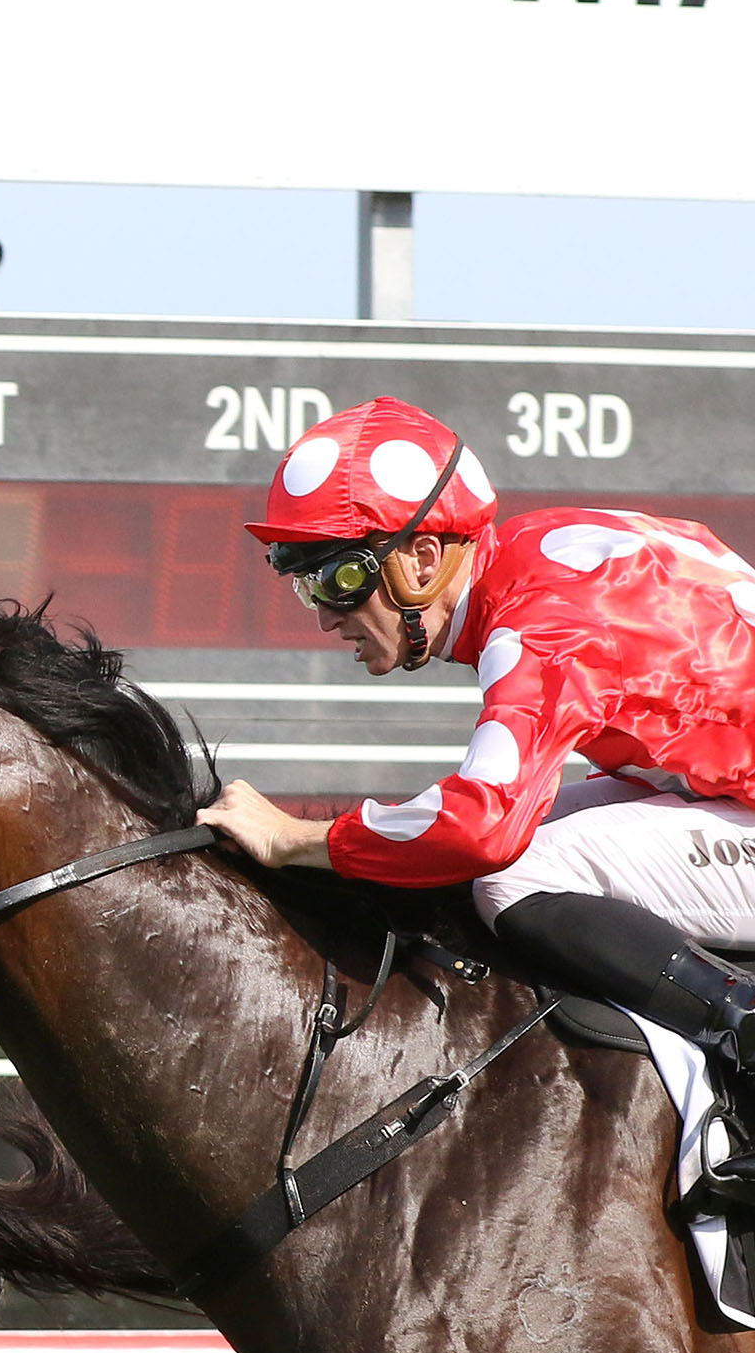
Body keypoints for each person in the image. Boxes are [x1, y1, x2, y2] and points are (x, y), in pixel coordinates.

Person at [199, 394, 755, 1193]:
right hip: (728, 792)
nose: (325, 617)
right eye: (306, 586)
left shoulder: (538, 622)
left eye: (341, 578)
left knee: (512, 873)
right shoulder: (532, 559)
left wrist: (298, 839)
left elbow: (479, 828)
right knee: (529, 843)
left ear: (424, 557)